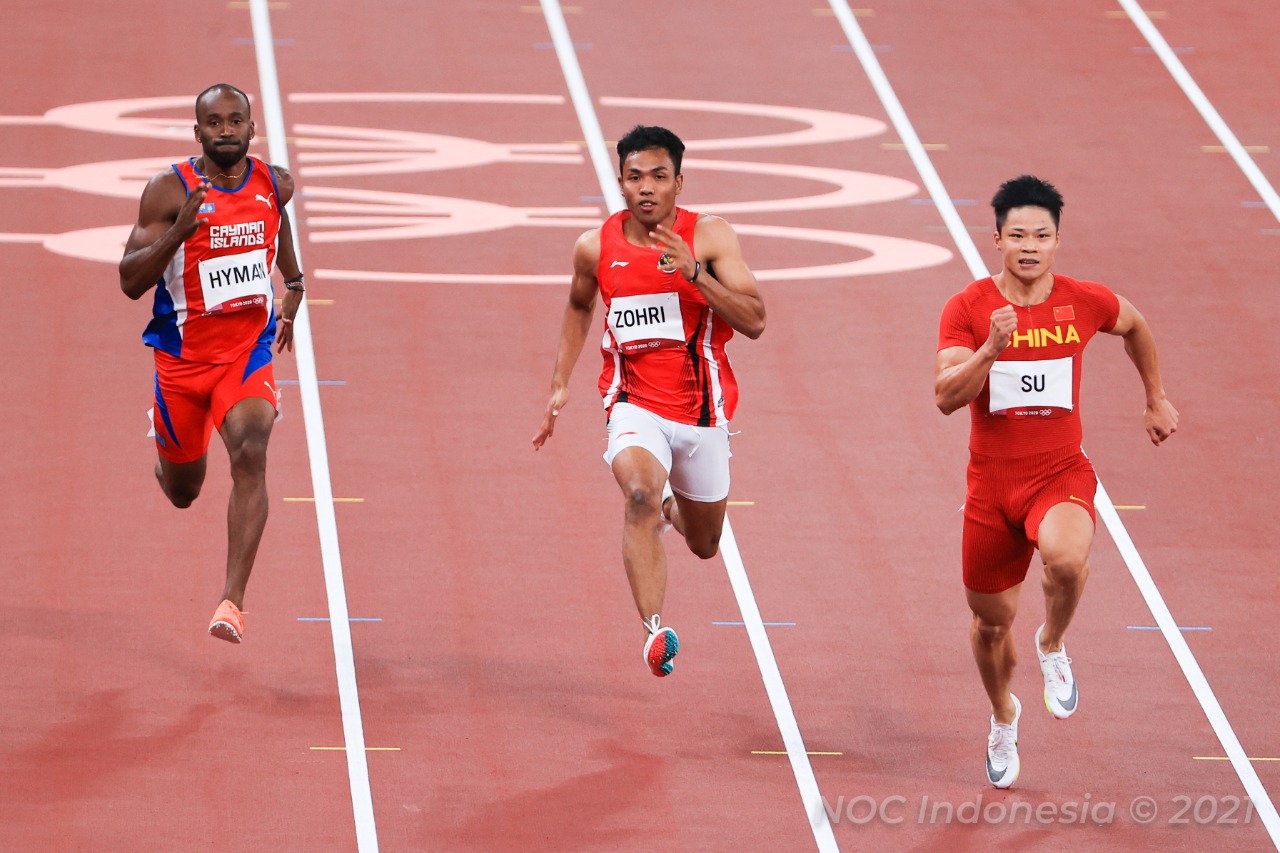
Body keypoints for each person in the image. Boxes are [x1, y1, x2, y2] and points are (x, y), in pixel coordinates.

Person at [935, 175, 1178, 787]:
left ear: (1057, 242)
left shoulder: (1083, 301)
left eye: (1042, 235)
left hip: (1059, 472)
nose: (1030, 245)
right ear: (996, 239)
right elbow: (944, 397)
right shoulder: (967, 309)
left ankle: (1051, 642)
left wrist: (1156, 398)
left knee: (1067, 560)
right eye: (1017, 234)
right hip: (990, 486)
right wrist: (989, 348)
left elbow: (1136, 326)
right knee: (991, 626)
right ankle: (1003, 714)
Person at [532, 125, 766, 677]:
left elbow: (755, 320)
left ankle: (670, 510)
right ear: (619, 183)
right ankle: (654, 631)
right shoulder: (595, 247)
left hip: (703, 413)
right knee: (637, 493)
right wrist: (561, 383)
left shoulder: (709, 238)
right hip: (634, 404)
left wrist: (694, 276)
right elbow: (578, 304)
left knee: (706, 543)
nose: (646, 188)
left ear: (679, 183)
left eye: (659, 177)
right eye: (635, 177)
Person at [119, 83, 305, 644]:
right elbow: (129, 282)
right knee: (183, 491)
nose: (226, 131)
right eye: (214, 123)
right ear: (197, 132)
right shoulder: (167, 191)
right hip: (182, 362)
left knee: (251, 450)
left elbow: (279, 224)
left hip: (245, 353)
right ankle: (166, 443)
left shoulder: (275, 182)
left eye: (236, 121)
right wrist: (178, 233)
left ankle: (232, 602)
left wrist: (292, 283)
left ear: (252, 128)